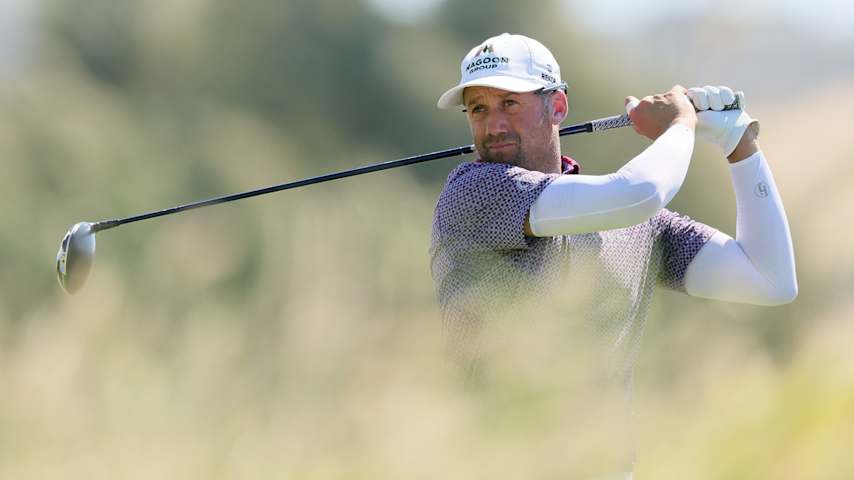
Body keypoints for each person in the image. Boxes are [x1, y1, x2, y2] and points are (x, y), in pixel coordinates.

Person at [429, 33, 797, 477]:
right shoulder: (472, 192)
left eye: (510, 103)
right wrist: (681, 125)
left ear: (558, 107)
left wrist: (739, 143)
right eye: (478, 109)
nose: (493, 126)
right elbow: (639, 192)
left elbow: (769, 280)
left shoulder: (636, 223)